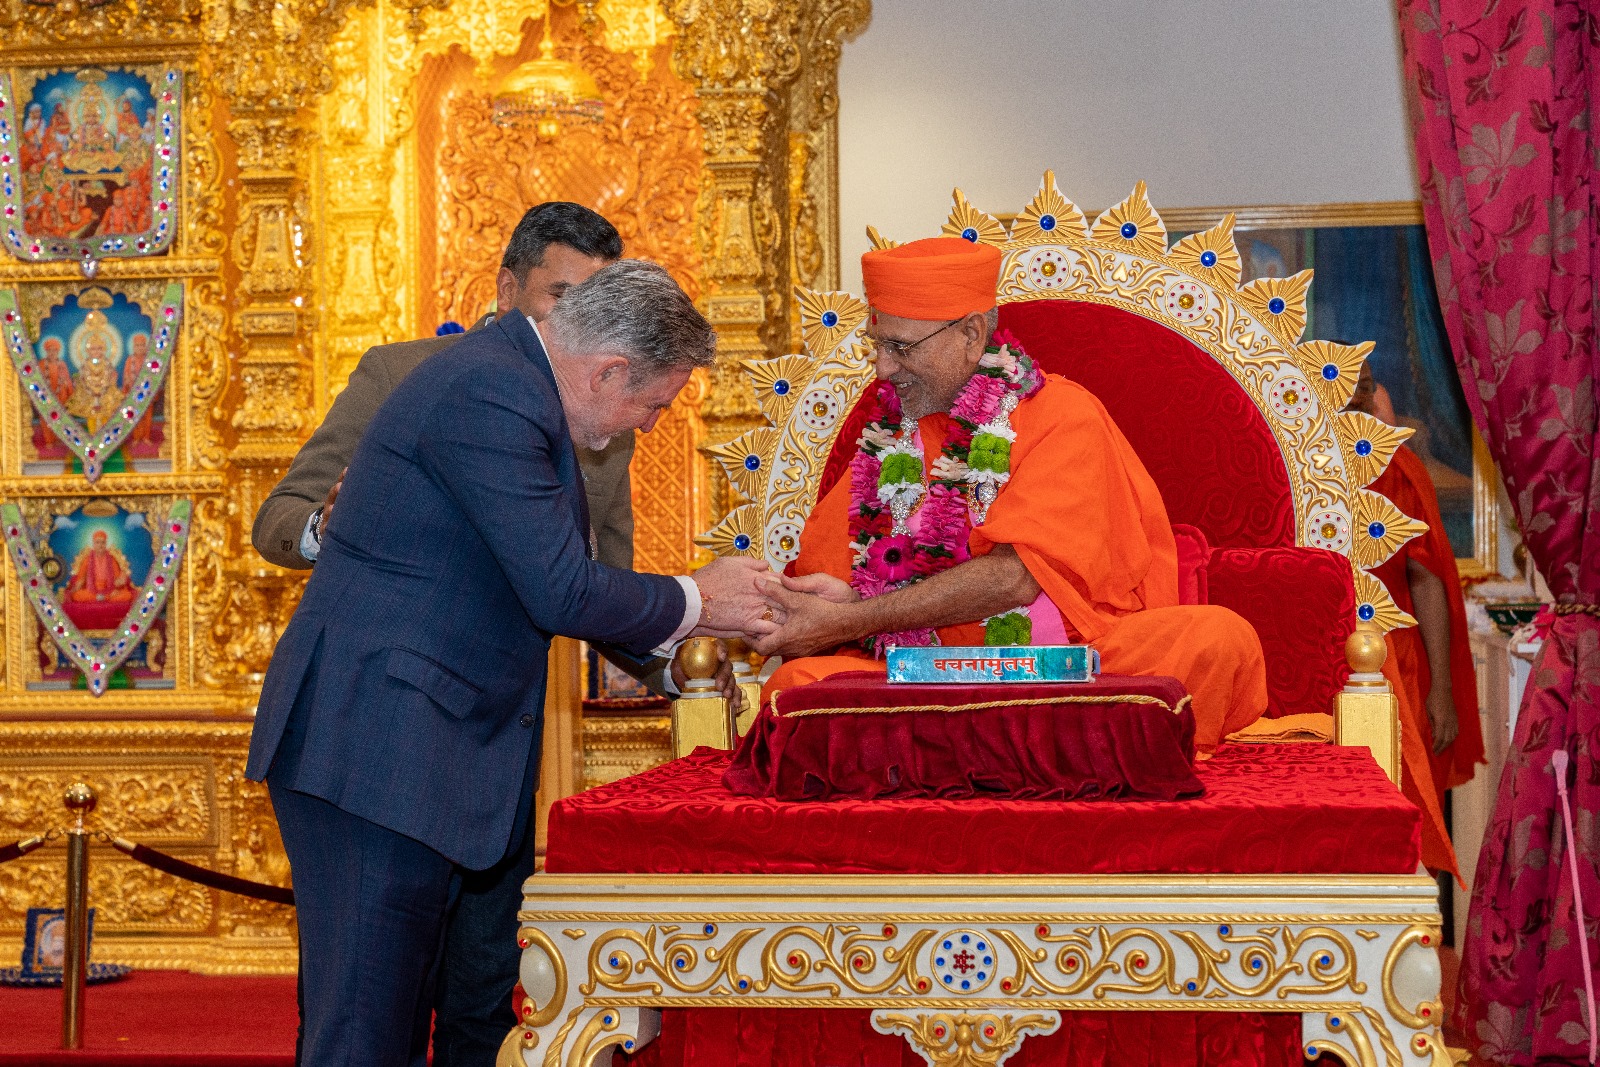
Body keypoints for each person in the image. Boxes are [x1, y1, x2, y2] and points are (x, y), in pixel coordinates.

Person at [245, 259, 775, 1067]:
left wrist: (680, 641)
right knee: (362, 1039)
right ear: (609, 370)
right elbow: (561, 590)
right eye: (653, 403)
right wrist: (699, 598)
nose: (650, 424)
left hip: (415, 756)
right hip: (378, 756)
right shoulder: (493, 392)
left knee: (404, 1026)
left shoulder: (511, 385)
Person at [756, 236, 1269, 754]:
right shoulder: (890, 437)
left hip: (1063, 668)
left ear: (972, 334)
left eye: (902, 347)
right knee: (794, 688)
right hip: (918, 678)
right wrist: (810, 608)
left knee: (1216, 638)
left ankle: (950, 752)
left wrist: (847, 620)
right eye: (878, 345)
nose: (884, 369)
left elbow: (1014, 579)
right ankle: (1055, 751)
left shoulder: (1063, 416)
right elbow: (841, 575)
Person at [252, 202, 636, 575]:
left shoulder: (605, 418)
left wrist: (684, 609)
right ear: (506, 290)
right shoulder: (397, 373)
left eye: (597, 308)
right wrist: (324, 527)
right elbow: (278, 519)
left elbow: (613, 585)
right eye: (563, 298)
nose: (582, 323)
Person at [1348, 363, 1482, 808]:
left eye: (1364, 389)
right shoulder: (1287, 463)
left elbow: (1424, 578)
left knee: (1401, 797)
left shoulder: (1398, 469)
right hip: (1313, 654)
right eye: (1342, 389)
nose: (1355, 401)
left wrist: (1440, 688)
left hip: (1396, 657)